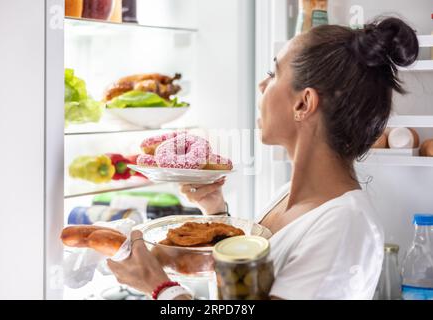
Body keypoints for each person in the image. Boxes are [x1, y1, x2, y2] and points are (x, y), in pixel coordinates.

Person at [107, 17, 419, 300]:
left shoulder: (346, 225)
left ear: (303, 103)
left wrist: (160, 287)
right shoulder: (287, 197)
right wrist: (216, 217)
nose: (261, 86)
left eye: (273, 74)